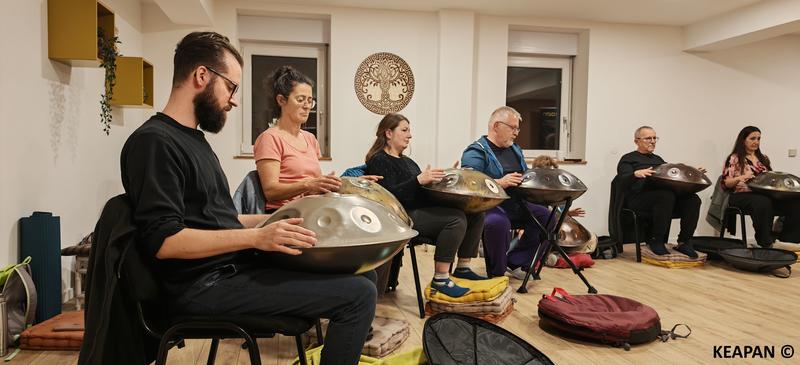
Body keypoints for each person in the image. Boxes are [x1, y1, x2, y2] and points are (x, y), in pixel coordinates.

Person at [120, 32, 376, 364]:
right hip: (200, 286)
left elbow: (220, 221)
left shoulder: (194, 141)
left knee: (362, 272)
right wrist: (257, 236)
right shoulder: (154, 143)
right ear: (201, 76)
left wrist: (287, 219)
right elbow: (165, 241)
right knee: (358, 296)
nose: (235, 100)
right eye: (231, 87)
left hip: (230, 268)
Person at [365, 113, 486, 298]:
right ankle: (441, 279)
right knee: (455, 219)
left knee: (475, 213)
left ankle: (463, 267)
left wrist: (446, 179)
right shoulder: (378, 160)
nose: (410, 135)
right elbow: (389, 196)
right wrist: (419, 180)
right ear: (388, 133)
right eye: (404, 130)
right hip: (401, 216)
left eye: (409, 130)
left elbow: (420, 190)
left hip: (418, 209)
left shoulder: (408, 162)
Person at [460, 106, 552, 278]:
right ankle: (497, 273)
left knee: (546, 217)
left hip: (516, 203)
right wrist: (500, 182)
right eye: (512, 127)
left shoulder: (515, 149)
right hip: (489, 206)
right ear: (496, 126)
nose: (516, 132)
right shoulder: (475, 151)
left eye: (518, 128)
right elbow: (470, 184)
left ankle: (517, 261)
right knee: (497, 223)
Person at [253, 66, 342, 211]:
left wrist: (351, 183)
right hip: (285, 213)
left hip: (311, 208)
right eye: (301, 100)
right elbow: (270, 191)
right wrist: (308, 185)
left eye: (310, 101)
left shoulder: (310, 138)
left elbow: (313, 183)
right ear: (281, 100)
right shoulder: (269, 138)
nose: (307, 106)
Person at [616, 125, 702, 257]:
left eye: (654, 138)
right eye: (648, 138)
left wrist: (693, 174)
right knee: (665, 196)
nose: (652, 141)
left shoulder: (658, 160)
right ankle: (656, 240)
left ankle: (684, 241)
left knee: (693, 199)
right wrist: (635, 174)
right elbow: (621, 180)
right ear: (636, 141)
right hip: (638, 199)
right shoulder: (628, 159)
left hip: (664, 199)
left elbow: (670, 177)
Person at [722, 126, 800, 247]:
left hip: (764, 195)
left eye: (758, 139)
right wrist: (740, 178)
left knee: (796, 201)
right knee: (763, 202)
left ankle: (787, 240)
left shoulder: (763, 159)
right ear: (743, 140)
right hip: (741, 195)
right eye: (752, 138)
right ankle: (765, 242)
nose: (756, 142)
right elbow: (726, 183)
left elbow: (770, 180)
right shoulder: (734, 158)